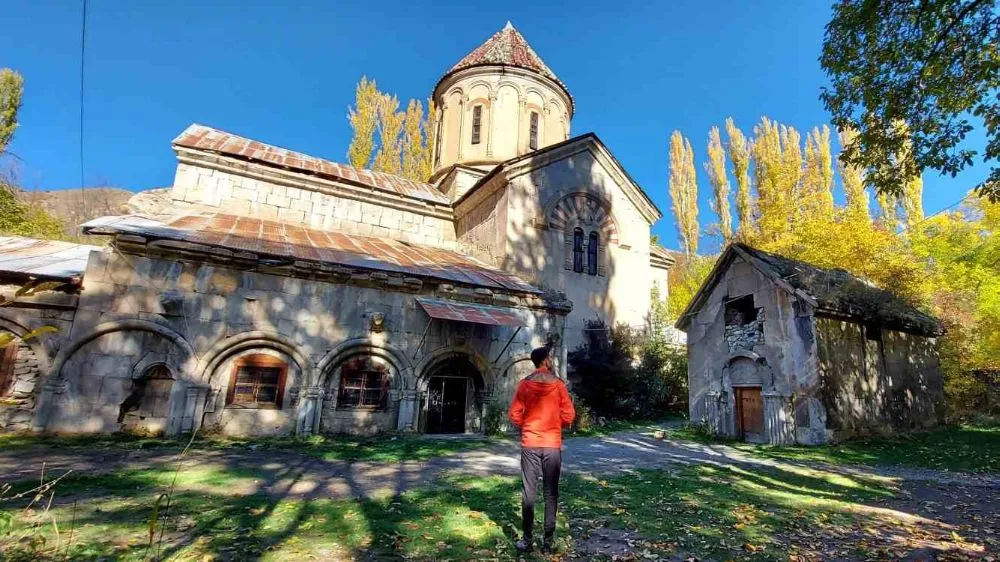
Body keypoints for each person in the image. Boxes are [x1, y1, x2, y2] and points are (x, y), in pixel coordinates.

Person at [507, 345, 575, 553]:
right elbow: (569, 415)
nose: (552, 359)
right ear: (545, 360)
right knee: (551, 493)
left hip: (530, 444)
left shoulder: (525, 384)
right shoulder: (559, 385)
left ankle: (527, 541)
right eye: (551, 357)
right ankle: (548, 542)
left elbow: (514, 414)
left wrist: (528, 424)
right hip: (552, 444)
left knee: (529, 492)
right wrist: (555, 423)